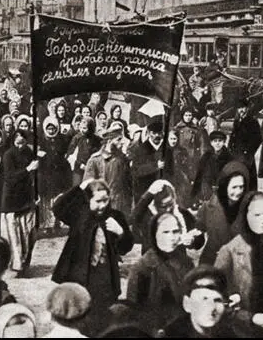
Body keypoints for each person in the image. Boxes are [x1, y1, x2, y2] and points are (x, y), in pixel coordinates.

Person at [215, 192, 263, 337]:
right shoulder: (229, 252)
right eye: (257, 215)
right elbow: (218, 302)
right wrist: (252, 319)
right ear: (245, 215)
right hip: (243, 332)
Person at [52, 178, 134, 308]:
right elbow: (57, 208)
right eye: (98, 201)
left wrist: (121, 232)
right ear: (88, 200)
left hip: (105, 277)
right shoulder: (79, 215)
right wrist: (78, 188)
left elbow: (126, 247)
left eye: (105, 200)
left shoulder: (115, 217)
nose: (102, 205)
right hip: (79, 277)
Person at [127, 212, 195, 333]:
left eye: (175, 231)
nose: (171, 237)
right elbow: (134, 313)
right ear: (154, 235)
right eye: (165, 232)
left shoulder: (186, 263)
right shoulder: (143, 268)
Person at [160, 265, 237, 338]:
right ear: (187, 304)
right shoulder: (170, 334)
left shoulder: (230, 333)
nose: (212, 307)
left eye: (218, 300)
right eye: (204, 299)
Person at [196, 161, 249, 264]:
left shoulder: (249, 207)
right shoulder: (208, 207)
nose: (238, 192)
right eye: (234, 187)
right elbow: (199, 238)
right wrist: (192, 240)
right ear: (225, 186)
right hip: (212, 262)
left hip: (239, 264)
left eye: (241, 187)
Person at [0, 129, 37, 274]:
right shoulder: (8, 155)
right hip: (11, 198)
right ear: (13, 141)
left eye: (23, 141)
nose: (20, 144)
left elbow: (35, 174)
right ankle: (16, 265)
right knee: (14, 234)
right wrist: (28, 169)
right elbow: (9, 177)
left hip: (26, 198)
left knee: (28, 232)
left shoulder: (29, 152)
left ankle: (25, 261)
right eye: (18, 142)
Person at [83, 125, 132, 217]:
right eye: (118, 140)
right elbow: (88, 186)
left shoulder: (123, 159)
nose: (122, 143)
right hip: (103, 207)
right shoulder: (95, 160)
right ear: (109, 141)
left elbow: (128, 184)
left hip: (121, 206)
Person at [128, 117, 166, 203]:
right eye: (154, 133)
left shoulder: (166, 149)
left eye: (159, 133)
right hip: (145, 192)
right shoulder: (141, 149)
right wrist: (155, 166)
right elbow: (136, 171)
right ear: (148, 133)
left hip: (163, 194)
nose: (157, 135)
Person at [228, 97, 262, 191]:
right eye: (239, 108)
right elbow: (233, 136)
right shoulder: (237, 121)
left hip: (247, 156)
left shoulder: (253, 121)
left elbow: (258, 139)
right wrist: (230, 147)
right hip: (237, 154)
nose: (241, 110)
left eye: (243, 108)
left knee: (249, 179)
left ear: (247, 108)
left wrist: (249, 152)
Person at [192, 130, 233, 203]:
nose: (217, 143)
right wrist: (195, 194)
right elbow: (199, 175)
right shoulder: (206, 157)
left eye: (220, 141)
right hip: (207, 190)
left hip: (223, 189)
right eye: (215, 141)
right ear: (211, 143)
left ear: (224, 142)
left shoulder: (229, 157)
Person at [66, 116, 101, 186]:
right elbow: (70, 154)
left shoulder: (97, 140)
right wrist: (79, 164)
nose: (82, 130)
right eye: (81, 128)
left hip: (92, 170)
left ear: (90, 128)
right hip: (78, 170)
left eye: (84, 128)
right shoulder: (76, 138)